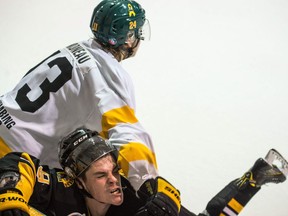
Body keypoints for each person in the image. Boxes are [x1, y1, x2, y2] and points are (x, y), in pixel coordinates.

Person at [0, 0, 156, 192]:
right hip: (13, 157)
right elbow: (127, 132)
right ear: (129, 37)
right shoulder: (109, 73)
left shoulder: (77, 48)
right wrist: (149, 182)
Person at [0, 127, 287, 216]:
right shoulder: (58, 185)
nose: (114, 181)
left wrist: (166, 201)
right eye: (101, 176)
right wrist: (10, 195)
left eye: (113, 171)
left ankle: (254, 178)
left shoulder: (130, 192)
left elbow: (161, 187)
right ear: (77, 180)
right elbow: (17, 161)